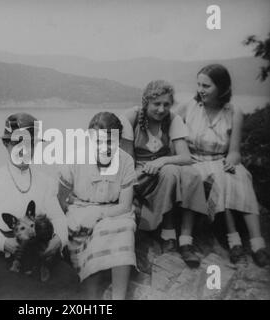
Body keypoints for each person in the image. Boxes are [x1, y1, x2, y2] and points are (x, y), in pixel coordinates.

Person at [0, 112, 81, 299]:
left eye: (30, 143)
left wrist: (58, 241)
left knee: (69, 282)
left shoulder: (45, 182)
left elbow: (58, 217)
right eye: (17, 142)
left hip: (38, 251)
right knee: (21, 293)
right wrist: (4, 243)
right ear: (6, 144)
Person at [176, 64, 270, 267]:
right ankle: (232, 241)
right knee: (217, 178)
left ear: (222, 88)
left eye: (206, 86)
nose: (201, 90)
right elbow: (170, 133)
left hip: (220, 159)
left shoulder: (234, 111)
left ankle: (257, 243)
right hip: (194, 161)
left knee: (240, 174)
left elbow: (235, 151)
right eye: (199, 84)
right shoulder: (188, 108)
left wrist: (231, 161)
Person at [120, 80, 207, 268]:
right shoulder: (131, 118)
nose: (161, 109)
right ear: (145, 102)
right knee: (170, 170)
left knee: (191, 174)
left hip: (164, 171)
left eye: (166, 104)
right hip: (138, 175)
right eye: (156, 104)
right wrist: (152, 167)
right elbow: (126, 163)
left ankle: (185, 239)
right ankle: (168, 233)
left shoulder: (172, 119)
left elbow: (185, 157)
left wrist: (161, 161)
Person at [57, 112, 137, 300]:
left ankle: (119, 297)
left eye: (110, 141)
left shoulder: (125, 161)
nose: (104, 147)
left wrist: (99, 214)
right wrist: (69, 222)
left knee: (123, 229)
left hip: (115, 210)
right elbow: (60, 199)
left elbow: (125, 205)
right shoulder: (75, 159)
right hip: (80, 209)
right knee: (90, 236)